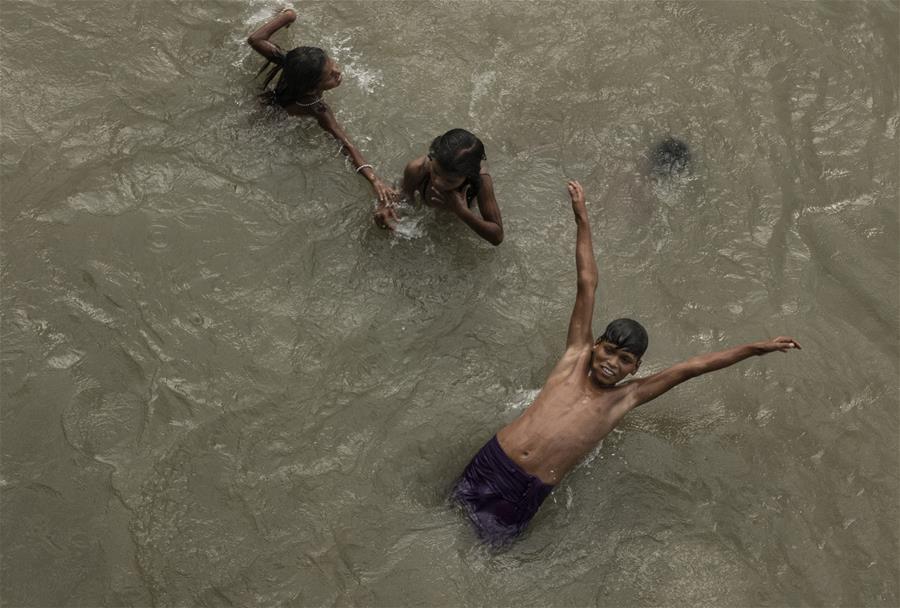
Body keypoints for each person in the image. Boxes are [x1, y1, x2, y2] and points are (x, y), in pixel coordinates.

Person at [452, 180, 801, 545]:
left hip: (527, 488)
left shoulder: (625, 398)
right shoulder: (573, 358)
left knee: (484, 553)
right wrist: (582, 217)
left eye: (624, 360)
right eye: (607, 351)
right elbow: (587, 283)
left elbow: (692, 367)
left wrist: (755, 348)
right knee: (447, 520)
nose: (610, 364)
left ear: (634, 369)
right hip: (493, 459)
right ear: (595, 346)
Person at [247, 7, 396, 215]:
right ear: (311, 89)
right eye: (330, 76)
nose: (337, 72)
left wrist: (287, 16)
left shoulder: (288, 62)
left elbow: (255, 39)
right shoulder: (318, 109)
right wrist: (374, 179)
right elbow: (346, 144)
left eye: (331, 63)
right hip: (274, 122)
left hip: (265, 105)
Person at [394, 129, 503, 244]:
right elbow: (404, 200)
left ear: (468, 176)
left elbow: (498, 236)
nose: (437, 182)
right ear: (432, 158)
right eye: (435, 171)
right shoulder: (417, 169)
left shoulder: (481, 180)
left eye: (449, 181)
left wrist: (463, 212)